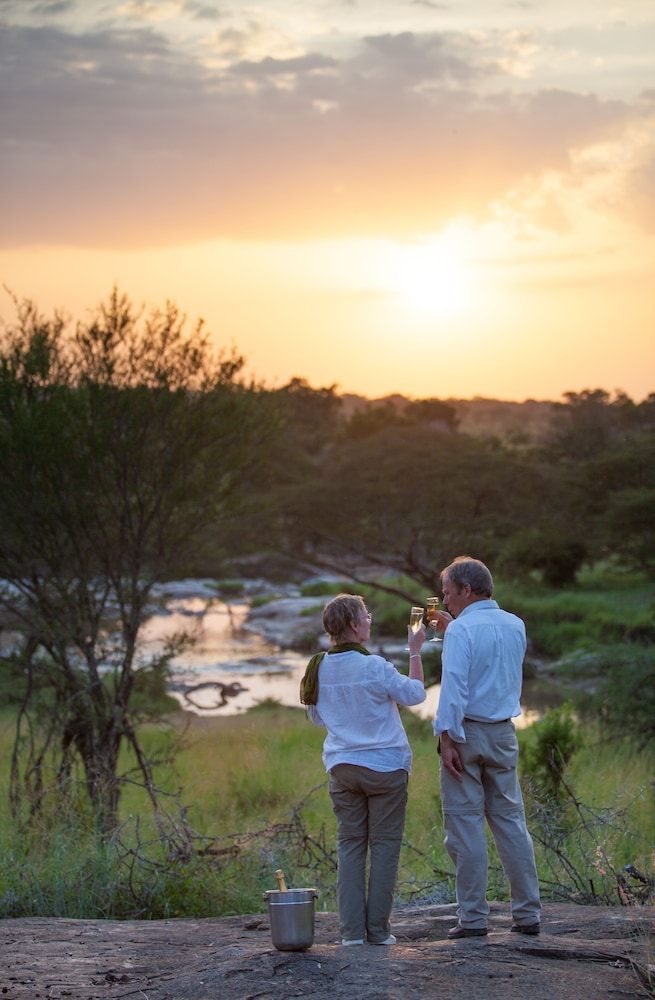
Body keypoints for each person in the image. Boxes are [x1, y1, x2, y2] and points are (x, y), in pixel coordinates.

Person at [300, 592, 427, 946]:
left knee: (350, 846)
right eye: (366, 615)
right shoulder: (375, 666)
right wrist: (415, 651)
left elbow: (317, 718)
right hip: (386, 767)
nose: (370, 619)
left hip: (343, 768)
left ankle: (352, 934)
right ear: (355, 625)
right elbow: (415, 695)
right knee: (384, 847)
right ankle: (379, 932)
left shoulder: (317, 667)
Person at [430, 556, 542, 939]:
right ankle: (527, 914)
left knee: (464, 828)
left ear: (466, 589)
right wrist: (454, 631)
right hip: (504, 733)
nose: (445, 601)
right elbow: (495, 671)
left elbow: (455, 688)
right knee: (511, 824)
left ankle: (473, 919)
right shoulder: (515, 624)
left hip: (466, 734)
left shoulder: (461, 630)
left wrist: (446, 738)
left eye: (448, 593)